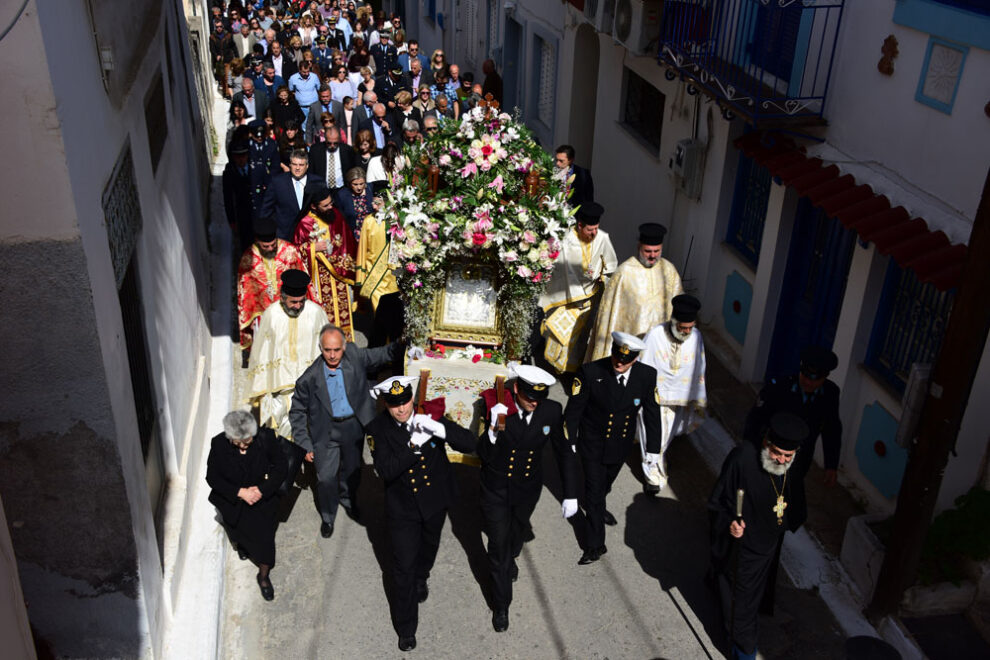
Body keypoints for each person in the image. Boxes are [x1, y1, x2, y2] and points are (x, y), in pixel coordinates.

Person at [365, 375, 477, 652]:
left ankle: (422, 575)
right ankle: (406, 628)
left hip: (435, 500)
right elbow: (385, 470)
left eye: (405, 401)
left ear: (413, 398)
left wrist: (438, 429)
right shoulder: (376, 430)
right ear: (385, 404)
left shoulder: (430, 414)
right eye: (394, 404)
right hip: (403, 508)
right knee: (402, 568)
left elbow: (469, 443)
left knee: (429, 548)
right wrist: (413, 446)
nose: (402, 409)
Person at [481, 365, 579, 632]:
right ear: (516, 390)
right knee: (498, 547)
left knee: (516, 533)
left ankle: (512, 555)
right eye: (528, 397)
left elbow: (564, 452)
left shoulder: (552, 411)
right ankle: (502, 605)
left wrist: (570, 493)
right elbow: (482, 454)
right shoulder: (495, 405)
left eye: (540, 397)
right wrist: (491, 431)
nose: (534, 402)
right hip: (497, 488)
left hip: (527, 488)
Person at [709, 412, 809, 660]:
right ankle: (744, 652)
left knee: (749, 601)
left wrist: (782, 519)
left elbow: (796, 508)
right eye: (777, 452)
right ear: (766, 442)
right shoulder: (743, 458)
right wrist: (730, 522)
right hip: (740, 546)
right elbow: (717, 501)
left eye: (789, 456)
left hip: (768, 547)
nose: (781, 460)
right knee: (740, 607)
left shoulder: (791, 468)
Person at [289, 325, 404, 538]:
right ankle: (328, 516)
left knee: (352, 470)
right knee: (325, 478)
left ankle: (348, 500)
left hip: (354, 426)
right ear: (320, 349)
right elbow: (297, 412)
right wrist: (304, 443)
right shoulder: (310, 378)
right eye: (327, 350)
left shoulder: (354, 355)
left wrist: (405, 339)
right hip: (325, 432)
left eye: (336, 350)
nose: (332, 355)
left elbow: (384, 354)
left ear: (344, 346)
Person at [564, 332, 661, 565]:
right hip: (593, 443)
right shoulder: (591, 372)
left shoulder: (646, 376)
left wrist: (653, 450)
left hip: (620, 445)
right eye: (617, 357)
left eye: (626, 360)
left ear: (635, 359)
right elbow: (574, 410)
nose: (619, 363)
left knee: (605, 484)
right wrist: (571, 441)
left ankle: (597, 504)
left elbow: (652, 413)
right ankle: (595, 545)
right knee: (595, 492)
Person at [207, 410, 288, 602]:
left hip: (262, 500)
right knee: (238, 531)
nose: (244, 445)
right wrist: (240, 492)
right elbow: (213, 477)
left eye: (247, 440)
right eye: (239, 441)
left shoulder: (266, 438)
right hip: (234, 502)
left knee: (266, 540)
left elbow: (281, 467)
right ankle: (243, 547)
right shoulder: (218, 444)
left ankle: (263, 576)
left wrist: (262, 490)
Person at [246, 270, 329, 438]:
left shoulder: (316, 313)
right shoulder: (271, 314)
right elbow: (261, 351)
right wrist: (261, 386)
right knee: (281, 431)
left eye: (301, 301)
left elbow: (329, 345)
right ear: (283, 298)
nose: (298, 306)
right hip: (280, 385)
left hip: (310, 384)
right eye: (293, 302)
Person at [743, 346, 842, 486]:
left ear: (825, 377)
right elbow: (755, 421)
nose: (808, 382)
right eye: (805, 376)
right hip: (770, 455)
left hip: (800, 461)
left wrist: (831, 465)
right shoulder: (779, 388)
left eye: (814, 379)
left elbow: (832, 429)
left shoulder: (830, 393)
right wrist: (749, 454)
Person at [638, 294, 707, 494]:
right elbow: (645, 365)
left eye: (690, 327)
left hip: (680, 397)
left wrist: (698, 396)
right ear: (674, 322)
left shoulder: (696, 337)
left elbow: (699, 367)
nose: (687, 332)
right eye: (683, 327)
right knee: (652, 436)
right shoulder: (655, 335)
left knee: (666, 437)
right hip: (654, 398)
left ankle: (658, 463)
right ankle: (651, 474)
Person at [586, 222, 683, 361]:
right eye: (648, 251)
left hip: (660, 345)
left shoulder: (669, 271)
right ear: (639, 247)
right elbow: (607, 315)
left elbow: (679, 307)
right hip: (629, 346)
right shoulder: (624, 272)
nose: (652, 256)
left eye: (657, 251)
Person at [539, 202, 617, 374]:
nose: (594, 233)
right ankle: (551, 369)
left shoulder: (602, 238)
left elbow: (611, 266)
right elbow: (558, 270)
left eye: (596, 228)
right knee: (558, 335)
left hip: (590, 300)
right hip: (563, 300)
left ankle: (571, 372)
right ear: (580, 225)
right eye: (590, 230)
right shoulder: (565, 239)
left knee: (579, 339)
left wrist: (603, 277)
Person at [293, 182, 357, 342]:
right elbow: (295, 252)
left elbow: (347, 242)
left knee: (343, 316)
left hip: (340, 277)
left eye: (331, 203)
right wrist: (313, 248)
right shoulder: (304, 224)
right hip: (319, 281)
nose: (330, 207)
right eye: (325, 205)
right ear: (314, 206)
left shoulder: (336, 215)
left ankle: (345, 347)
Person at [237, 216, 307, 353]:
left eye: (273, 245)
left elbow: (303, 277)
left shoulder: (289, 251)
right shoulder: (248, 258)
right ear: (257, 241)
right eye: (265, 246)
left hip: (289, 311)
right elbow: (244, 291)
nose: (270, 249)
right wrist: (249, 318)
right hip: (263, 315)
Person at [260, 149, 320, 240]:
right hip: (284, 236)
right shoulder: (277, 183)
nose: (297, 168)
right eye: (294, 164)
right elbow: (266, 211)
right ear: (290, 165)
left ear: (307, 166)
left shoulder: (317, 182)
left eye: (301, 165)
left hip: (311, 235)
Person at [223, 140, 254, 254]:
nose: (241, 159)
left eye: (243, 155)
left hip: (257, 213)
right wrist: (231, 219)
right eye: (237, 156)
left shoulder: (255, 169)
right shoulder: (229, 173)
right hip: (242, 215)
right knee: (245, 245)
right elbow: (228, 198)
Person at [308, 126, 356, 195]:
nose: (332, 146)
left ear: (339, 139)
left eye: (335, 143)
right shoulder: (315, 150)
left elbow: (352, 170)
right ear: (325, 139)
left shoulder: (347, 150)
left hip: (342, 190)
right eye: (329, 143)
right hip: (322, 190)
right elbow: (311, 172)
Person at [336, 166, 378, 240]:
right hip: (353, 235)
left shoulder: (370, 189)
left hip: (372, 232)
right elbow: (340, 218)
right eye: (355, 184)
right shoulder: (342, 195)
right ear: (349, 184)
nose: (359, 187)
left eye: (361, 184)